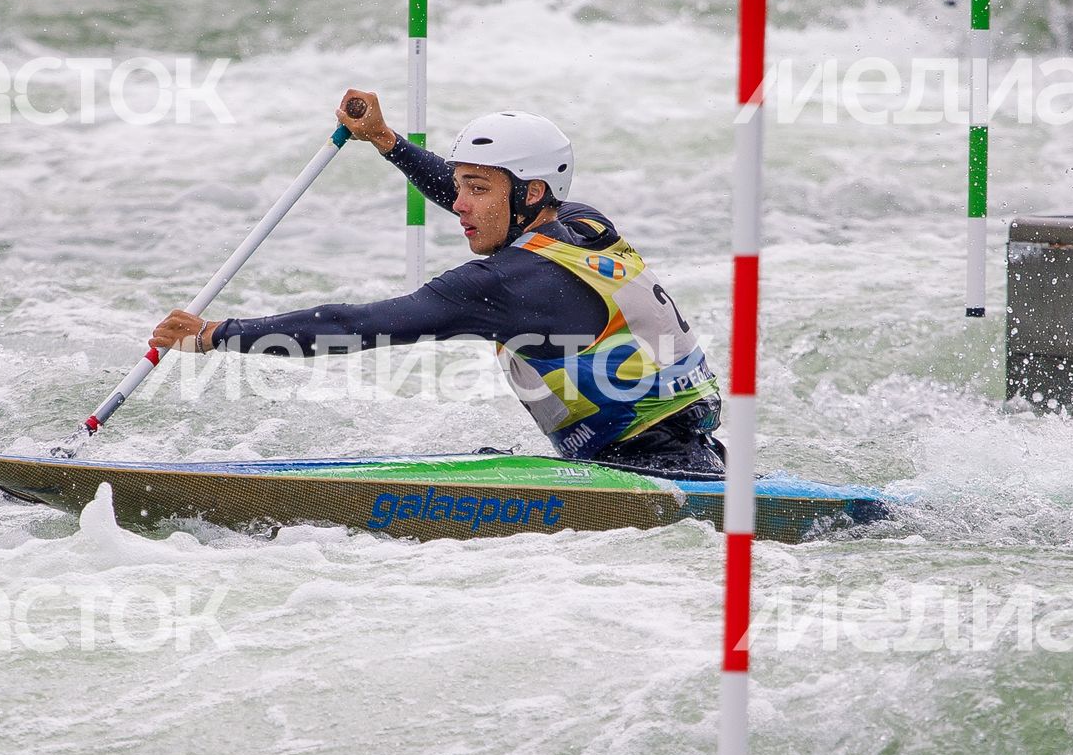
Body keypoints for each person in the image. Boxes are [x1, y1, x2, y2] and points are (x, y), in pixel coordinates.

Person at [147, 91, 726, 477]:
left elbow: (358, 326)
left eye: (478, 190)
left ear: (528, 195)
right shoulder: (582, 223)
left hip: (646, 472)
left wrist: (216, 333)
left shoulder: (505, 284)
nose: (460, 206)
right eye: (460, 187)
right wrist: (386, 140)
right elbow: (460, 190)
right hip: (701, 458)